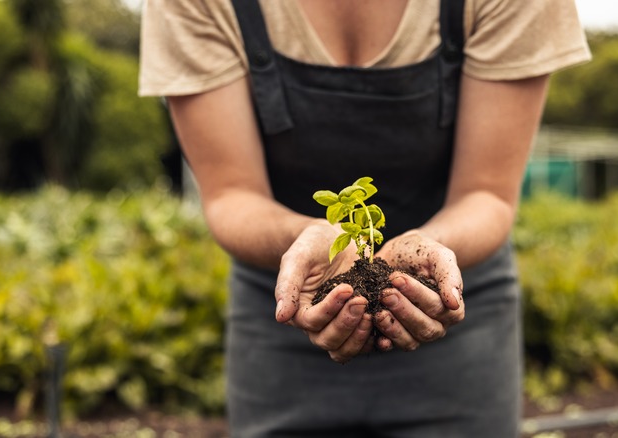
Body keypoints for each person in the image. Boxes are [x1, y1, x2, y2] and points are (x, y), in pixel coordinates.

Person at [139, 0, 591, 436]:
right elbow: (231, 194)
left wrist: (427, 247)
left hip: (455, 303)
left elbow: (486, 192)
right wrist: (307, 236)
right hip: (287, 307)